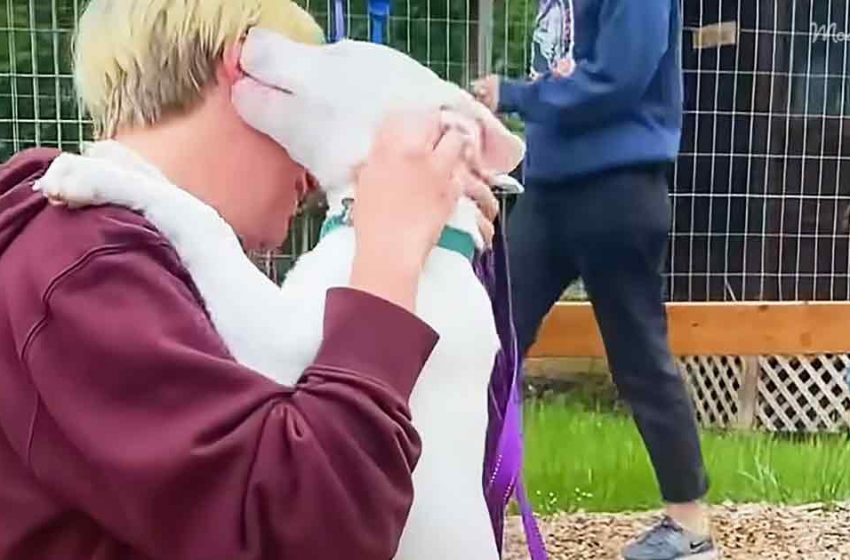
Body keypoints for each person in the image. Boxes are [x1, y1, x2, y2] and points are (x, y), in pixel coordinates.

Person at [0, 1, 499, 559]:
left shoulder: (120, 258)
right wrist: (389, 261)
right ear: (247, 70)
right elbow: (308, 531)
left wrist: (433, 235)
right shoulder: (87, 267)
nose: (312, 179)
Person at [473, 1, 718, 559]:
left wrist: (519, 94)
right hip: (550, 191)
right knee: (487, 339)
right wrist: (557, 83)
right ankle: (465, 500)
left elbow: (616, 81)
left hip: (618, 188)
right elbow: (573, 76)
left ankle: (690, 527)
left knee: (638, 356)